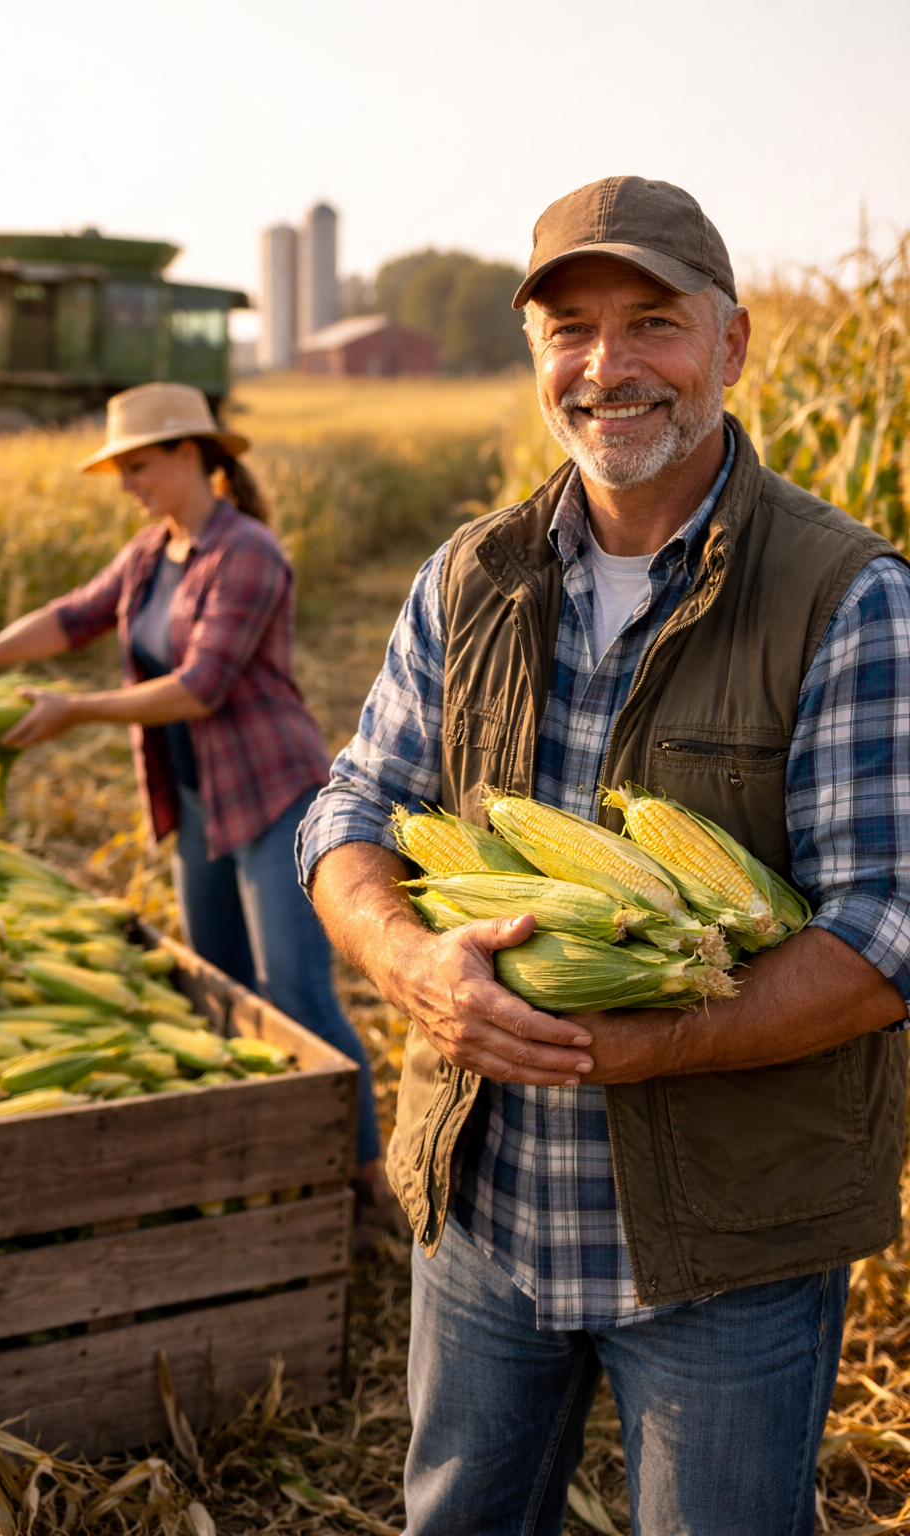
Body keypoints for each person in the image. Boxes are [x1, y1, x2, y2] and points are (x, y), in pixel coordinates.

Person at [297, 178, 910, 1536]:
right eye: (570, 330)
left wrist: (654, 1042)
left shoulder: (844, 592)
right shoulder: (470, 577)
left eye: (653, 323)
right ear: (535, 358)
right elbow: (348, 815)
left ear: (732, 343)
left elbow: (887, 930)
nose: (607, 367)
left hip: (728, 1247)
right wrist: (409, 965)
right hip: (487, 1210)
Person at [0, 381, 382, 1191]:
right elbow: (74, 615)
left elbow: (200, 685)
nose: (129, 484)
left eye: (138, 465)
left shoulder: (248, 554)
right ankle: (274, 1156)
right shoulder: (153, 551)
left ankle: (365, 1177)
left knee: (297, 995)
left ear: (192, 454)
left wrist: (76, 710)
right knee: (224, 989)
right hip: (197, 797)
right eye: (121, 471)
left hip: (272, 796)